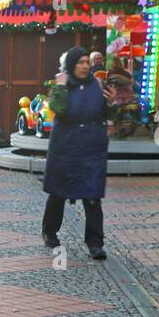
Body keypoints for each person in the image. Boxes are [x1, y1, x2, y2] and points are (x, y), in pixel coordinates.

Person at [42, 46, 109, 260]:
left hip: (91, 146)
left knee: (92, 195)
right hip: (66, 146)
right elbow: (58, 109)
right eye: (80, 62)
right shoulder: (62, 84)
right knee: (58, 192)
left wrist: (112, 102)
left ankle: (95, 242)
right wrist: (60, 87)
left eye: (86, 62)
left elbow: (103, 112)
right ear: (72, 65)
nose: (85, 66)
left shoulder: (96, 84)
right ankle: (50, 232)